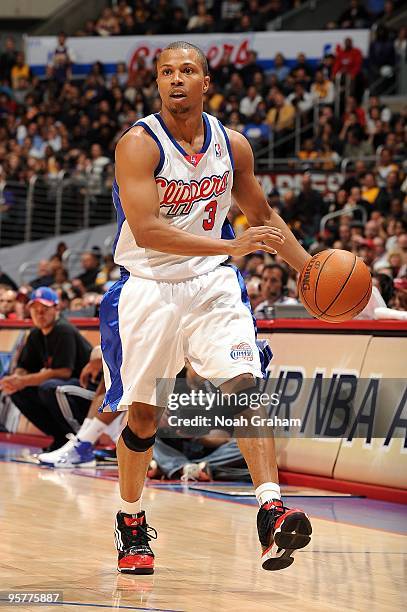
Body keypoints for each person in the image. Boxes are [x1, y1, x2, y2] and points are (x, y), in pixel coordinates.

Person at [99, 41, 312, 576]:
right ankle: (130, 519)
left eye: (187, 70)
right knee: (144, 416)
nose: (175, 79)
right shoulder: (138, 144)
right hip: (147, 285)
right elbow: (148, 230)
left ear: (206, 82)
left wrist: (307, 272)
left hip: (211, 283)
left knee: (244, 384)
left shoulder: (232, 144)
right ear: (157, 84)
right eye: (166, 72)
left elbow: (262, 216)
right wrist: (229, 246)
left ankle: (270, 509)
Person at [0, 287, 93, 451]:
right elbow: (24, 366)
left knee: (51, 388)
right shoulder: (36, 334)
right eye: (35, 309)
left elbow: (63, 372)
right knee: (17, 391)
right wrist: (16, 379)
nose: (39, 314)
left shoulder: (64, 330)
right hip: (66, 389)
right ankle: (61, 438)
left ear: (56, 309)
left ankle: (80, 440)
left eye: (44, 309)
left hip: (88, 390)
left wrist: (23, 380)